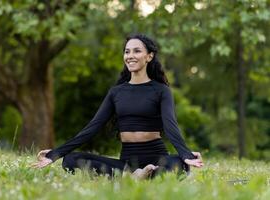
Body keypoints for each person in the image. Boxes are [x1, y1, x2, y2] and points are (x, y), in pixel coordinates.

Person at [32, 34, 204, 179]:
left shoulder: (161, 90)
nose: (130, 55)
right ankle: (134, 175)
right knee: (70, 160)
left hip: (157, 157)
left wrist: (185, 155)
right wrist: (56, 153)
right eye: (127, 51)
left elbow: (170, 125)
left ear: (149, 56)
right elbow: (92, 128)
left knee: (181, 165)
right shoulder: (116, 92)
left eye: (137, 51)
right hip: (127, 161)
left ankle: (139, 175)